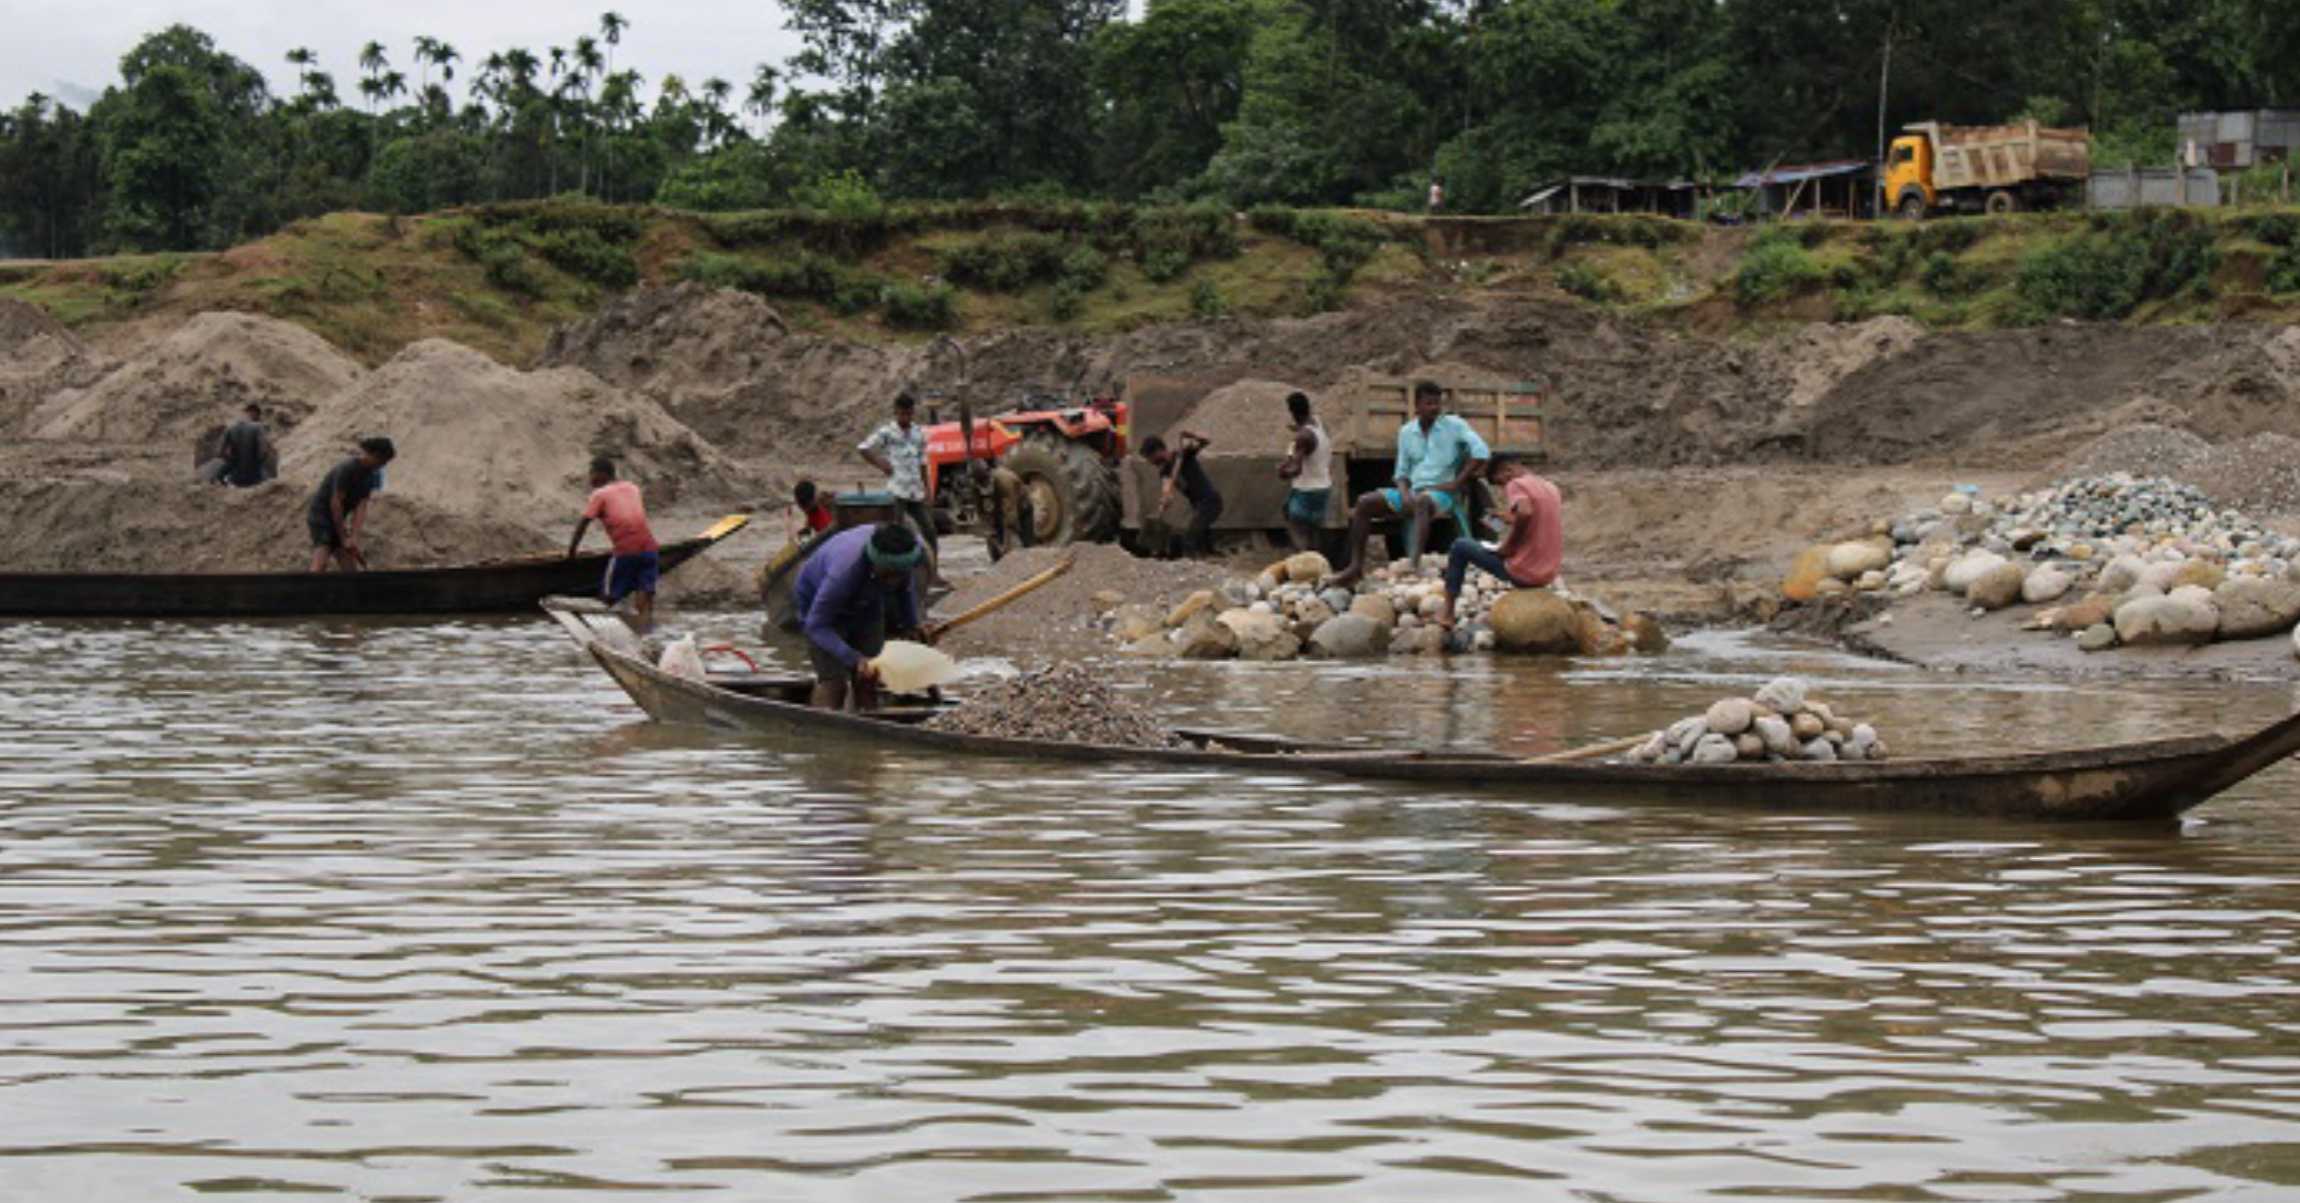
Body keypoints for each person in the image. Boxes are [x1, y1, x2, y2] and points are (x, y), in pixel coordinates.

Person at [1327, 381, 1488, 588]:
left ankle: (1414, 564)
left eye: (1437, 404)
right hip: (1413, 490)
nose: (1435, 408)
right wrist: (1403, 494)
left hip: (1441, 495)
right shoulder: (1406, 432)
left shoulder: (1454, 425)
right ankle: (1355, 567)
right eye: (1429, 403)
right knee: (1364, 502)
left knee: (1421, 501)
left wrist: (1457, 482)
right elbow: (1401, 473)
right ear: (1417, 405)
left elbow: (1481, 452)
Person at [793, 522, 932, 711]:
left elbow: (904, 589)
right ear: (874, 562)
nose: (893, 580)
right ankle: (823, 729)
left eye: (899, 574)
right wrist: (853, 658)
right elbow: (816, 626)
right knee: (835, 683)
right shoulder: (843, 573)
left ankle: (869, 721)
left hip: (868, 602)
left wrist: (913, 624)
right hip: (820, 607)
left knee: (870, 676)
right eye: (889, 574)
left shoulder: (907, 556)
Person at [1438, 454, 1563, 631]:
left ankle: (1447, 613)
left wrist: (1508, 547)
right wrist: (1507, 518)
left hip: (1525, 573)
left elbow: (1526, 513)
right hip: (1547, 574)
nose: (1504, 488)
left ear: (1507, 471)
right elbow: (1536, 518)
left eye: (1501, 483)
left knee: (1460, 546)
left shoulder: (1516, 483)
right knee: (1483, 540)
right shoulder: (1550, 487)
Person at [568, 457, 661, 632]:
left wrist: (571, 551)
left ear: (602, 475)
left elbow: (583, 523)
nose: (590, 479)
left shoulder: (600, 494)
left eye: (592, 474)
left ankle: (597, 632)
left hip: (626, 552)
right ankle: (645, 631)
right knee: (645, 592)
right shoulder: (632, 488)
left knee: (607, 596)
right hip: (650, 550)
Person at [856, 392, 941, 580]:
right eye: (902, 414)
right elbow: (863, 448)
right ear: (896, 412)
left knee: (930, 531)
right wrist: (880, 463)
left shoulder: (919, 433)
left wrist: (927, 489)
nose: (906, 417)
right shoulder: (887, 433)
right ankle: (899, 573)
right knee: (897, 533)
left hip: (915, 491)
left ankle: (934, 573)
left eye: (909, 414)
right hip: (897, 491)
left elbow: (923, 462)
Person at [306, 436, 396, 573]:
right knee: (321, 562)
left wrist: (353, 537)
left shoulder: (370, 476)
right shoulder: (348, 468)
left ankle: (352, 594)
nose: (383, 465)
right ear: (374, 455)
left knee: (350, 570)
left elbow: (361, 507)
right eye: (382, 461)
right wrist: (343, 537)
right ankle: (307, 592)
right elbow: (335, 504)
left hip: (337, 519)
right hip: (321, 517)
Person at [1141, 430, 1222, 558]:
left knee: (1190, 538)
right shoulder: (1165, 470)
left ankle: (1191, 567)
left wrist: (1193, 436)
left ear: (1158, 451)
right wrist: (1165, 500)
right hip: (1198, 505)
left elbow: (1206, 441)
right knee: (1201, 535)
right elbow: (1167, 488)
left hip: (1210, 502)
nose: (1150, 462)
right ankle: (1210, 556)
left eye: (1150, 458)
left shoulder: (1183, 454)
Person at [1277, 391, 1332, 551]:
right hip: (1324, 487)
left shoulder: (1303, 437)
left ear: (1292, 412)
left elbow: (1296, 469)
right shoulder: (1318, 425)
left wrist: (1282, 472)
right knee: (1314, 530)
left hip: (1306, 490)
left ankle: (1303, 560)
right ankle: (1317, 564)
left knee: (1295, 526)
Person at [984, 462, 1033, 562]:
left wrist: (1006, 544)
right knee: (995, 531)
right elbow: (981, 510)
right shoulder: (976, 483)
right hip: (1001, 506)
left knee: (1028, 543)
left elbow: (1011, 513)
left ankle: (1029, 561)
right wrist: (989, 528)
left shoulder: (1005, 481)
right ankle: (999, 562)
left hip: (1022, 505)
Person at [217, 403, 273, 488]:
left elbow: (220, 452)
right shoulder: (259, 427)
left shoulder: (230, 428)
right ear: (255, 413)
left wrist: (232, 461)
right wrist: (258, 462)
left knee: (219, 476)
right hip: (255, 477)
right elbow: (263, 451)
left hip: (235, 478)